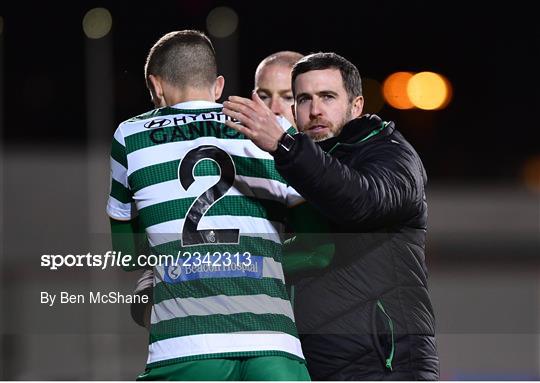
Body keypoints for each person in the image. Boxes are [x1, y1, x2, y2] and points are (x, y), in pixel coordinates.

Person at [222, 52, 440, 380]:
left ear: (356, 106)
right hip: (309, 364)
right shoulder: (295, 170)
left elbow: (361, 201)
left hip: (382, 364)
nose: (316, 110)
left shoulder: (388, 150)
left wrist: (284, 145)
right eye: (304, 99)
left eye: (327, 97)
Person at [106, 30, 309, 380]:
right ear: (217, 87)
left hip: (184, 346)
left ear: (156, 86)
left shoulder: (130, 135)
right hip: (274, 344)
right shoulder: (268, 128)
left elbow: (126, 255)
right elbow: (314, 233)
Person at [129, 50, 305, 330]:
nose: (273, 109)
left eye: (288, 97)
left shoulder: (332, 170)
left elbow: (327, 249)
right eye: (263, 95)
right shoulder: (239, 156)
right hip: (250, 331)